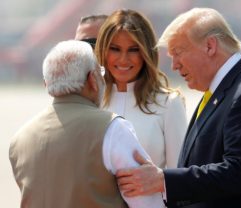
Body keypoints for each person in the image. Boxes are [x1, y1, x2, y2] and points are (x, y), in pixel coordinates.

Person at [116, 7, 241, 208]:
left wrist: (162, 180)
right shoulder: (224, 90)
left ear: (210, 46)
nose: (174, 65)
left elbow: (239, 173)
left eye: (178, 53)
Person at [9, 40, 164, 208]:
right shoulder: (112, 128)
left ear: (47, 84)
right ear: (92, 79)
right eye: (101, 73)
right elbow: (147, 202)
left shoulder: (19, 140)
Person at [94, 9, 187, 168]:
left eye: (134, 49)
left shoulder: (169, 104)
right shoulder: (89, 101)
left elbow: (180, 177)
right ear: (103, 51)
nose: (123, 59)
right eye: (115, 49)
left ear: (146, 53)